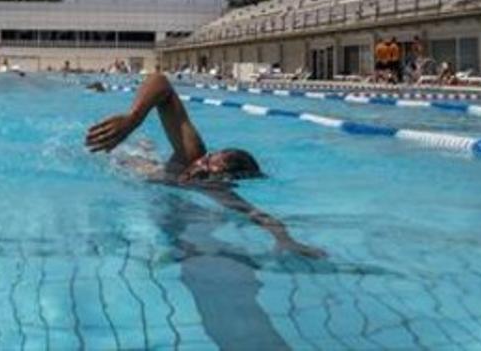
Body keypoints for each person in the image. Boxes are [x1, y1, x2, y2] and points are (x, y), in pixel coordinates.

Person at [85, 73, 325, 258]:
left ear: (224, 178)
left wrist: (286, 240)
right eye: (207, 159)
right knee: (141, 155)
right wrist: (132, 120)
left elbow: (258, 215)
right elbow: (161, 83)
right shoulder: (193, 155)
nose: (200, 165)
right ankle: (144, 145)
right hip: (123, 157)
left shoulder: (214, 188)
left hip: (141, 173)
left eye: (210, 168)